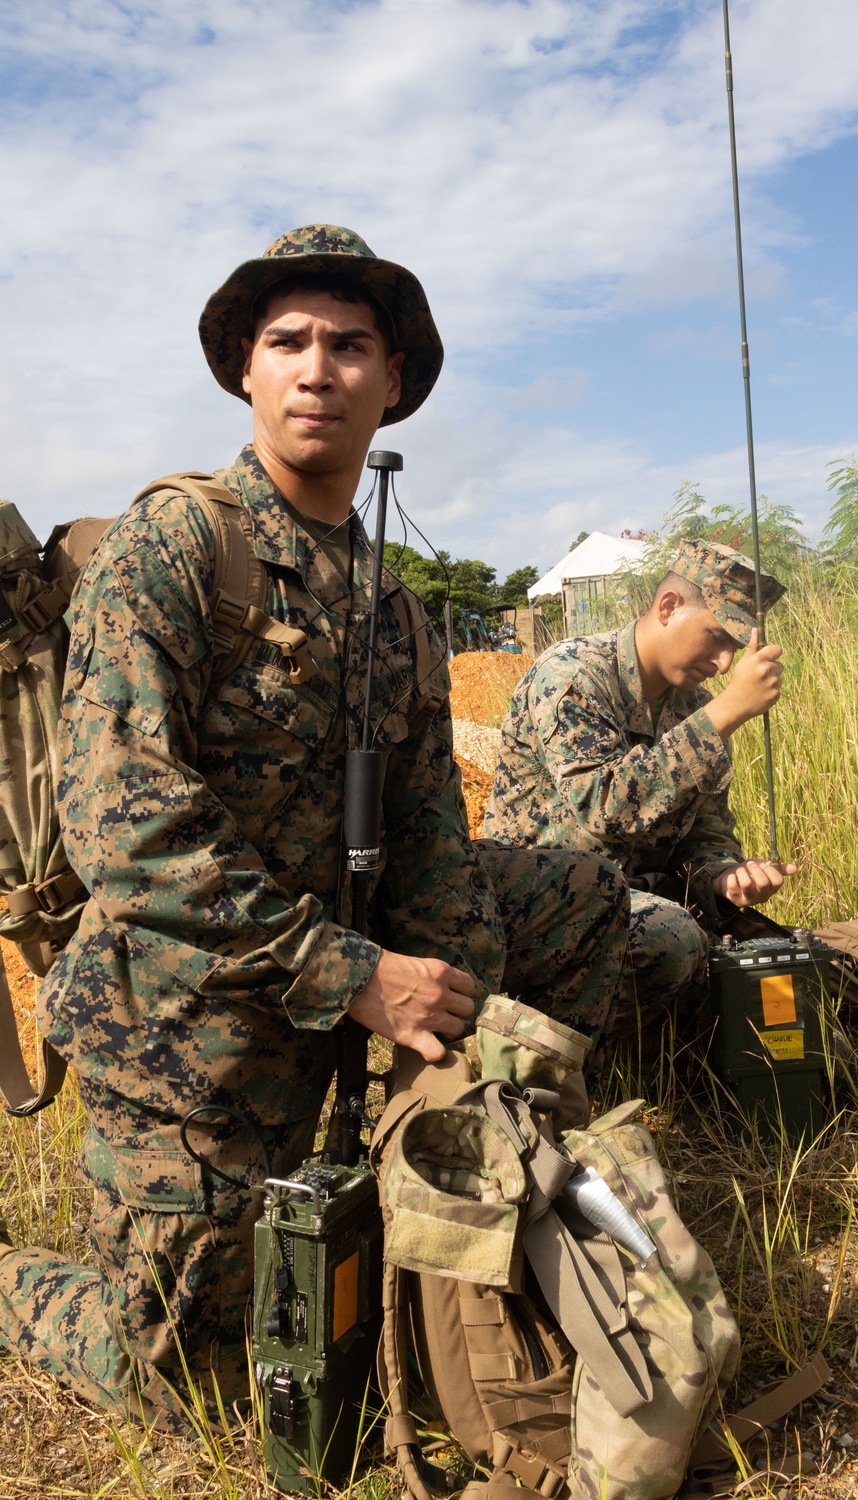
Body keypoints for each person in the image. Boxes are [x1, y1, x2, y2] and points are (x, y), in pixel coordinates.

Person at [0, 225, 628, 1424]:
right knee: (196, 1389)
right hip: (185, 1024)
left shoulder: (392, 602)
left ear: (393, 382)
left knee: (582, 899)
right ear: (246, 368)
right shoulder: (177, 546)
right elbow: (119, 826)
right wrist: (348, 975)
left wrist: (474, 1045)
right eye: (287, 340)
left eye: (350, 345)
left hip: (341, 995)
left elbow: (431, 832)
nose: (317, 367)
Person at [484, 539, 794, 1060]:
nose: (723, 665)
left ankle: (646, 1060)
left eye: (735, 650)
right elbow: (603, 807)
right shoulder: (573, 674)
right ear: (669, 606)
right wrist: (726, 715)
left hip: (636, 899)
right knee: (673, 940)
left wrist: (723, 875)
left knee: (765, 965)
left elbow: (706, 832)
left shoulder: (693, 707)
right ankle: (536, 1061)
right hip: (541, 906)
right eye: (717, 638)